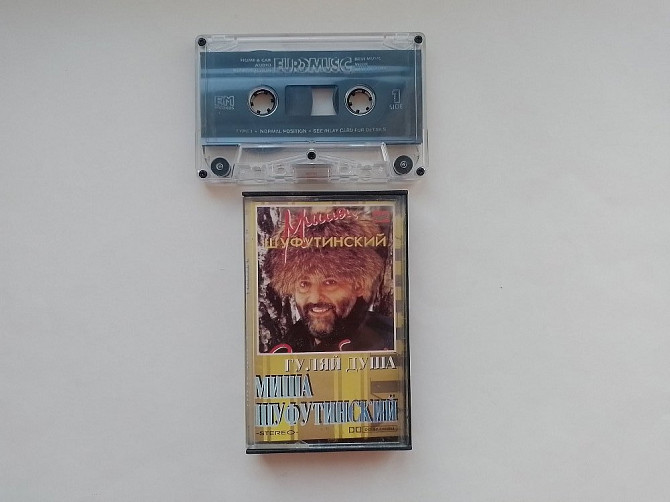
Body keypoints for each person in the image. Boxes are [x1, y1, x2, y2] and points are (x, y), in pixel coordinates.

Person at [263, 207, 393, 353]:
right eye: (304, 284)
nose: (315, 298)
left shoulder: (390, 341)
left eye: (329, 282)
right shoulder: (283, 350)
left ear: (358, 286)